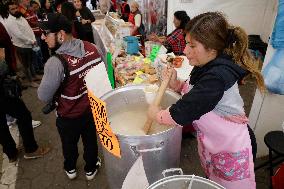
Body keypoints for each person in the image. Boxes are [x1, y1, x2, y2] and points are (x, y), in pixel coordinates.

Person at [147, 12, 265, 189]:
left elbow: (185, 111)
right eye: (186, 43)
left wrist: (157, 114)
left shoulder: (218, 76)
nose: (186, 51)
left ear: (212, 49)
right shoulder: (205, 65)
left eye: (192, 46)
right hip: (215, 145)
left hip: (230, 150)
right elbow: (196, 92)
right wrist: (176, 84)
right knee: (213, 182)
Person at [38, 13, 102, 180]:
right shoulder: (92, 48)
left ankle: (71, 168)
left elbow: (43, 96)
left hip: (68, 115)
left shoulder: (55, 63)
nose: (43, 37)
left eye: (46, 33)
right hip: (90, 110)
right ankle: (90, 168)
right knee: (90, 142)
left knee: (69, 144)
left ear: (61, 34)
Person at [0, 46, 50, 163]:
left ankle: (11, 153)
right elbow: (2, 67)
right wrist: (2, 57)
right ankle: (31, 149)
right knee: (23, 115)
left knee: (1, 124)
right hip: (2, 93)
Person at [4, 1, 39, 88]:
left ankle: (34, 76)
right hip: (22, 46)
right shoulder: (10, 21)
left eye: (16, 8)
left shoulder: (20, 16)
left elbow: (29, 28)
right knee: (25, 65)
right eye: (12, 9)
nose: (15, 10)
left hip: (30, 43)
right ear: (8, 11)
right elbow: (19, 35)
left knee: (30, 62)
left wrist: (33, 39)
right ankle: (30, 81)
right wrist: (31, 41)